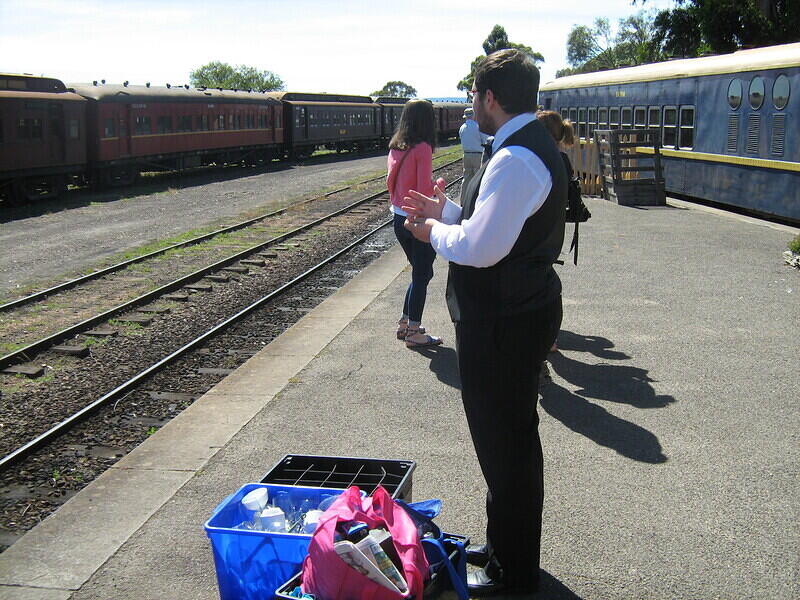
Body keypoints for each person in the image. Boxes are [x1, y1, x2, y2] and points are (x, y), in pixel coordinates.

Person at [402, 49, 566, 595]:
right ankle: (504, 550)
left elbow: (480, 246)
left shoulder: (516, 158)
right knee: (507, 442)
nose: (472, 107)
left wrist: (434, 234)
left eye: (474, 97)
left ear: (491, 98)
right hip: (511, 313)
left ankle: (512, 572)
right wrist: (443, 211)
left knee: (507, 445)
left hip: (504, 320)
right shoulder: (520, 148)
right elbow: (490, 224)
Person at [386, 99, 444, 348]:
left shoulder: (396, 147)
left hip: (399, 218)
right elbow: (422, 191)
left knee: (420, 272)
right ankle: (413, 332)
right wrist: (439, 186)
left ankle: (405, 323)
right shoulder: (423, 148)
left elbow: (391, 184)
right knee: (422, 274)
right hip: (417, 220)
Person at [536, 109, 576, 360]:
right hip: (555, 229)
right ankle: (549, 339)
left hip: (538, 230)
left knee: (540, 288)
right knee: (548, 284)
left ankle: (544, 342)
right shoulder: (562, 158)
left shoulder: (540, 159)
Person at [458, 107, 486, 200]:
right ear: (474, 116)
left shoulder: (462, 128)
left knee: (466, 178)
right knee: (478, 178)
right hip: (477, 155)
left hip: (466, 154)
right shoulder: (478, 127)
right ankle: (476, 199)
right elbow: (485, 140)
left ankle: (463, 200)